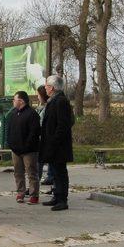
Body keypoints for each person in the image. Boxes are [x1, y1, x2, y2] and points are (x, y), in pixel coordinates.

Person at [40, 75, 74, 211]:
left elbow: (63, 125)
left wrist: (54, 141)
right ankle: (56, 195)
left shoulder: (61, 101)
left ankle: (62, 199)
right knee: (54, 172)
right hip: (52, 144)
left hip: (59, 145)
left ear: (52, 88)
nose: (46, 89)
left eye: (47, 86)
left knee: (60, 172)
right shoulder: (53, 100)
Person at [8, 91, 41, 205]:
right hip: (15, 150)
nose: (13, 101)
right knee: (18, 172)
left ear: (21, 101)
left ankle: (34, 195)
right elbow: (9, 130)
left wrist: (26, 146)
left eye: (14, 99)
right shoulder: (13, 114)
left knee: (31, 172)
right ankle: (20, 192)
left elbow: (34, 133)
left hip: (29, 151)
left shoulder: (32, 114)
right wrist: (11, 144)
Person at [36, 85, 55, 193]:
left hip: (44, 138)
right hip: (43, 138)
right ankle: (51, 182)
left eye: (38, 94)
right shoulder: (42, 106)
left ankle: (52, 185)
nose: (37, 97)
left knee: (40, 162)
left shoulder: (47, 107)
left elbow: (41, 122)